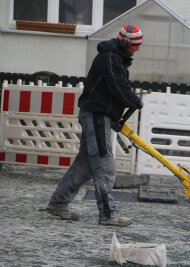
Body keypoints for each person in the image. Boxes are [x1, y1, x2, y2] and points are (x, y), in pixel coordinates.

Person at [45, 25, 144, 227]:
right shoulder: (110, 58)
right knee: (104, 165)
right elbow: (118, 87)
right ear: (125, 43)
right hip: (96, 116)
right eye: (136, 45)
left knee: (85, 165)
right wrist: (134, 100)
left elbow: (115, 88)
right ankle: (108, 214)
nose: (137, 49)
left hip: (97, 115)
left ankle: (59, 202)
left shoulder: (115, 58)